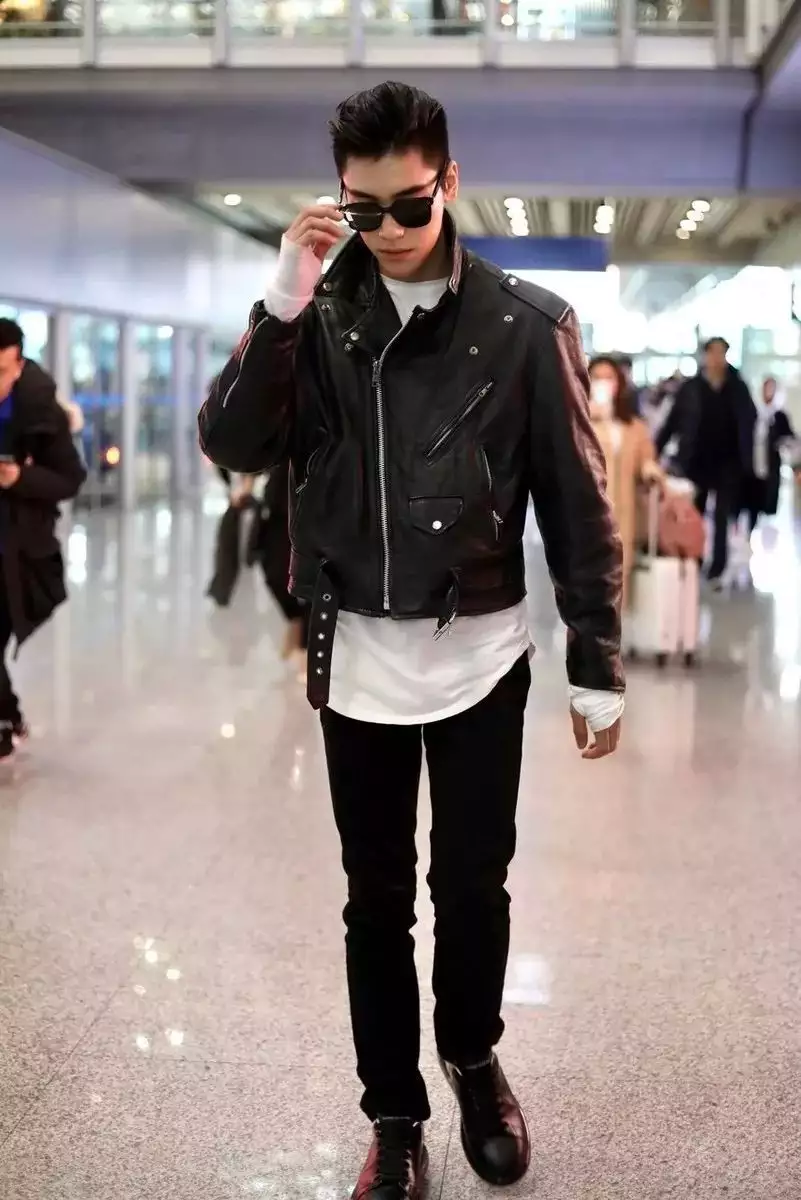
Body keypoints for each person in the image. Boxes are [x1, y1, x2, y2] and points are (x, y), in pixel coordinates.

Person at [199, 81, 624, 1199]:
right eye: (363, 209)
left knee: (474, 887)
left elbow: (579, 506)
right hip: (356, 659)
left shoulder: (526, 325)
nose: (387, 230)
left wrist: (597, 661)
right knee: (375, 901)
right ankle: (394, 1115)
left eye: (410, 204)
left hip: (480, 652)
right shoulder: (313, 320)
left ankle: (475, 1063)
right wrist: (281, 302)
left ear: (450, 183)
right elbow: (232, 444)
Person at [0, 318, 86, 759]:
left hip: (17, 551)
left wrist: (19, 478)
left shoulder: (41, 413)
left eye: (0, 372)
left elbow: (70, 479)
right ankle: (9, 717)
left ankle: (5, 722)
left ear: (19, 365)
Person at [657, 336, 756, 589]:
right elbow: (673, 422)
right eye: (712, 353)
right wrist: (655, 450)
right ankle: (696, 558)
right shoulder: (691, 388)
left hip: (728, 463)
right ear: (705, 356)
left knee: (722, 515)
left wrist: (748, 461)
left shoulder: (738, 388)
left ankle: (718, 566)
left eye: (721, 353)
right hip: (695, 461)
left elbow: (749, 424)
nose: (716, 358)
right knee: (695, 513)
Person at [588, 357, 663, 606]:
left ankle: (615, 629)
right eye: (596, 378)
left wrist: (650, 470)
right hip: (585, 516)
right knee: (588, 584)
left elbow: (646, 458)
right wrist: (588, 416)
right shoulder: (576, 421)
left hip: (623, 516)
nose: (602, 384)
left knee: (619, 583)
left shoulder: (633, 426)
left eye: (608, 378)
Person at [740, 376, 797, 533]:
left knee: (766, 504)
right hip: (751, 467)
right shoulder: (753, 413)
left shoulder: (779, 416)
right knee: (750, 504)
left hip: (769, 468)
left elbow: (790, 439)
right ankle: (748, 533)